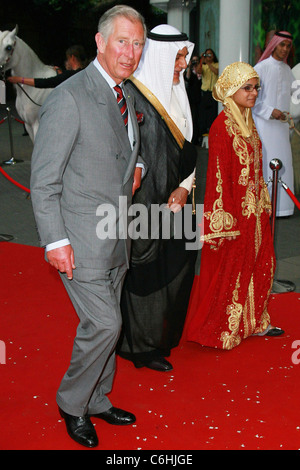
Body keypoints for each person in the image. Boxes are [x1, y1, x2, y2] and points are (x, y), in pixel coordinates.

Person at [30, 5, 146, 448]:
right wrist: (55, 241)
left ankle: (98, 398)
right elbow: (44, 181)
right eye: (122, 41)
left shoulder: (126, 94)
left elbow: (125, 150)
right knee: (104, 325)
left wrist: (139, 168)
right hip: (80, 239)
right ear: (100, 42)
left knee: (106, 324)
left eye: (137, 44)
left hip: (117, 236)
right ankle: (71, 401)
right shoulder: (70, 95)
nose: (130, 52)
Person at [184, 62, 284, 351]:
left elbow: (255, 169)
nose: (254, 93)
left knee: (261, 264)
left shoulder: (247, 121)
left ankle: (253, 322)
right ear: (231, 90)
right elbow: (216, 177)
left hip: (254, 212)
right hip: (235, 215)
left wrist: (262, 203)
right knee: (232, 272)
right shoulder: (221, 127)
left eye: (256, 88)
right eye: (247, 88)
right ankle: (222, 329)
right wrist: (223, 219)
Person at [117, 25, 197, 372]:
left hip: (179, 201)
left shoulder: (180, 91)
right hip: (143, 204)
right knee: (145, 271)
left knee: (177, 267)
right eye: (178, 57)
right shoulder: (131, 94)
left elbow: (189, 150)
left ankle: (161, 338)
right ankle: (139, 347)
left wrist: (186, 186)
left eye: (184, 56)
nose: (183, 63)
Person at [252, 31, 296, 217]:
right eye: (282, 45)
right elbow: (252, 100)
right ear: (274, 44)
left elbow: (293, 99)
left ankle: (283, 208)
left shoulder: (288, 71)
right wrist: (271, 112)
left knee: (284, 163)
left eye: (288, 46)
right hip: (264, 127)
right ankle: (264, 206)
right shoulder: (261, 68)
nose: (285, 49)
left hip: (281, 128)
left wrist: (288, 114)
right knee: (266, 163)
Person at [8, 45, 88, 88]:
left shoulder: (69, 75)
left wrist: (19, 79)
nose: (67, 62)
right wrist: (61, 73)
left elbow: (45, 82)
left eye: (68, 58)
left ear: (72, 57)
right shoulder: (86, 72)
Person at [197, 48, 219, 141]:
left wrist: (209, 64)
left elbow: (217, 72)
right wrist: (202, 60)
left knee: (212, 113)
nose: (208, 57)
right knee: (204, 113)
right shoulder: (204, 66)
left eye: (210, 55)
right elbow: (199, 71)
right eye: (207, 55)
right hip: (205, 92)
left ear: (213, 56)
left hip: (213, 92)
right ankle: (203, 131)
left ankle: (212, 130)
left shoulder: (217, 65)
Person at [184, 54, 202, 144]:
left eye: (196, 60)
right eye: (193, 60)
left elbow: (201, 76)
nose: (195, 62)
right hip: (191, 97)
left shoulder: (200, 69)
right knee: (192, 118)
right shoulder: (189, 71)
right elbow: (187, 78)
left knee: (198, 118)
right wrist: (190, 66)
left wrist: (200, 63)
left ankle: (197, 137)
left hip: (199, 97)